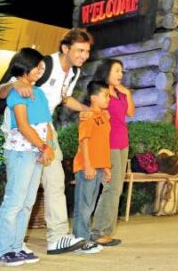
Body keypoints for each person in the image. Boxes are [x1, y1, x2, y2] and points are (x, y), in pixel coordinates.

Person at [0, 29, 94, 255]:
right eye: (79, 50)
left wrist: (88, 110)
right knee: (20, 196)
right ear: (65, 48)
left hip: (45, 129)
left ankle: (38, 241)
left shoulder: (73, 71)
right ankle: (8, 247)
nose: (84, 55)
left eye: (87, 51)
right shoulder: (44, 65)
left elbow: (64, 98)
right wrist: (14, 86)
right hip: (24, 132)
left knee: (48, 186)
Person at [0, 49, 55, 266]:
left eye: (41, 67)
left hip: (36, 151)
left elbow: (47, 125)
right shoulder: (17, 91)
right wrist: (43, 146)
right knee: (14, 202)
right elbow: (24, 126)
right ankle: (1, 250)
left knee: (27, 202)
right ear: (25, 66)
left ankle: (16, 247)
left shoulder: (41, 93)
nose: (40, 70)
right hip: (20, 152)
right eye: (37, 66)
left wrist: (49, 147)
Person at [90, 59, 134, 246]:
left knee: (117, 188)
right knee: (111, 188)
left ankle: (105, 230)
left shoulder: (120, 92)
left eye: (121, 71)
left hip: (123, 143)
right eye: (116, 70)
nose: (120, 75)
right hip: (109, 143)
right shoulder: (102, 93)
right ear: (106, 71)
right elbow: (93, 112)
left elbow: (130, 113)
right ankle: (99, 232)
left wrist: (128, 94)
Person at [72, 81, 112, 254]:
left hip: (98, 167)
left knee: (90, 204)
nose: (108, 99)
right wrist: (88, 165)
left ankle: (84, 237)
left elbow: (103, 144)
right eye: (105, 95)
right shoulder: (87, 116)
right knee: (84, 205)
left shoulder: (104, 116)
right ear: (94, 98)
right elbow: (84, 142)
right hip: (87, 167)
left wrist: (106, 167)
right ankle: (81, 240)